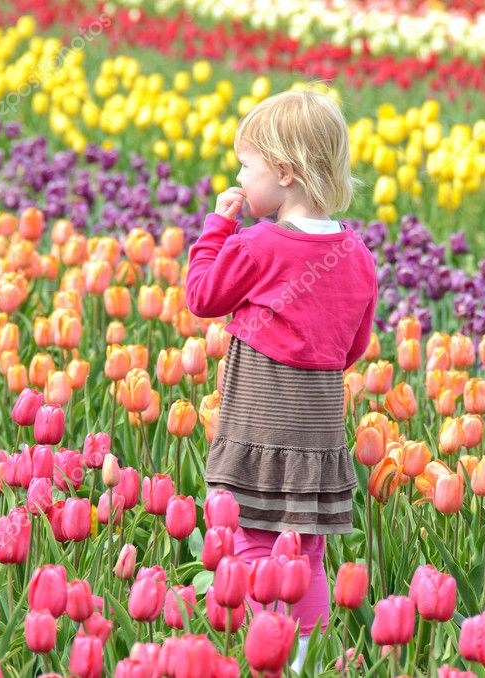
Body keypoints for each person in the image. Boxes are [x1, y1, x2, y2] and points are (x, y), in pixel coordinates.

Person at [185, 88, 378, 673]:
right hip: (317, 435)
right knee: (306, 557)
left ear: (286, 173)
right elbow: (355, 346)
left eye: (248, 165)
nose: (240, 177)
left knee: (249, 542)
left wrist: (219, 224)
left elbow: (201, 296)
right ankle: (305, 661)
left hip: (259, 428)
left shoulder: (258, 243)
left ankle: (257, 658)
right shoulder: (357, 252)